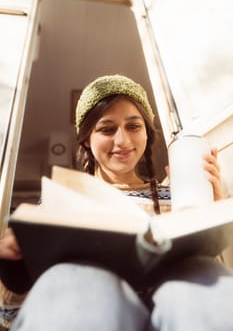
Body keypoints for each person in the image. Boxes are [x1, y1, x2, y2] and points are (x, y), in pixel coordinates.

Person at [0, 74, 232, 331]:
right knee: (75, 277)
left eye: (134, 126)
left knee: (201, 272)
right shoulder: (59, 201)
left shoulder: (177, 198)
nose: (123, 141)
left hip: (175, 306)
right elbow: (12, 313)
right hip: (90, 307)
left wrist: (212, 216)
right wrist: (12, 264)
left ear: (146, 131)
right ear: (87, 138)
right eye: (107, 129)